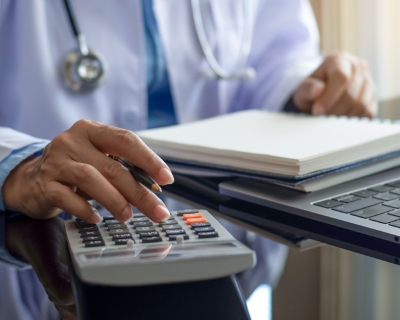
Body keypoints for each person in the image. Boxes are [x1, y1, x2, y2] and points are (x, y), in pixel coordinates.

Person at [0, 0, 377, 319]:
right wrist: (21, 164)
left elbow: (277, 51)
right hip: (47, 270)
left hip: (223, 269)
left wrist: (308, 88)